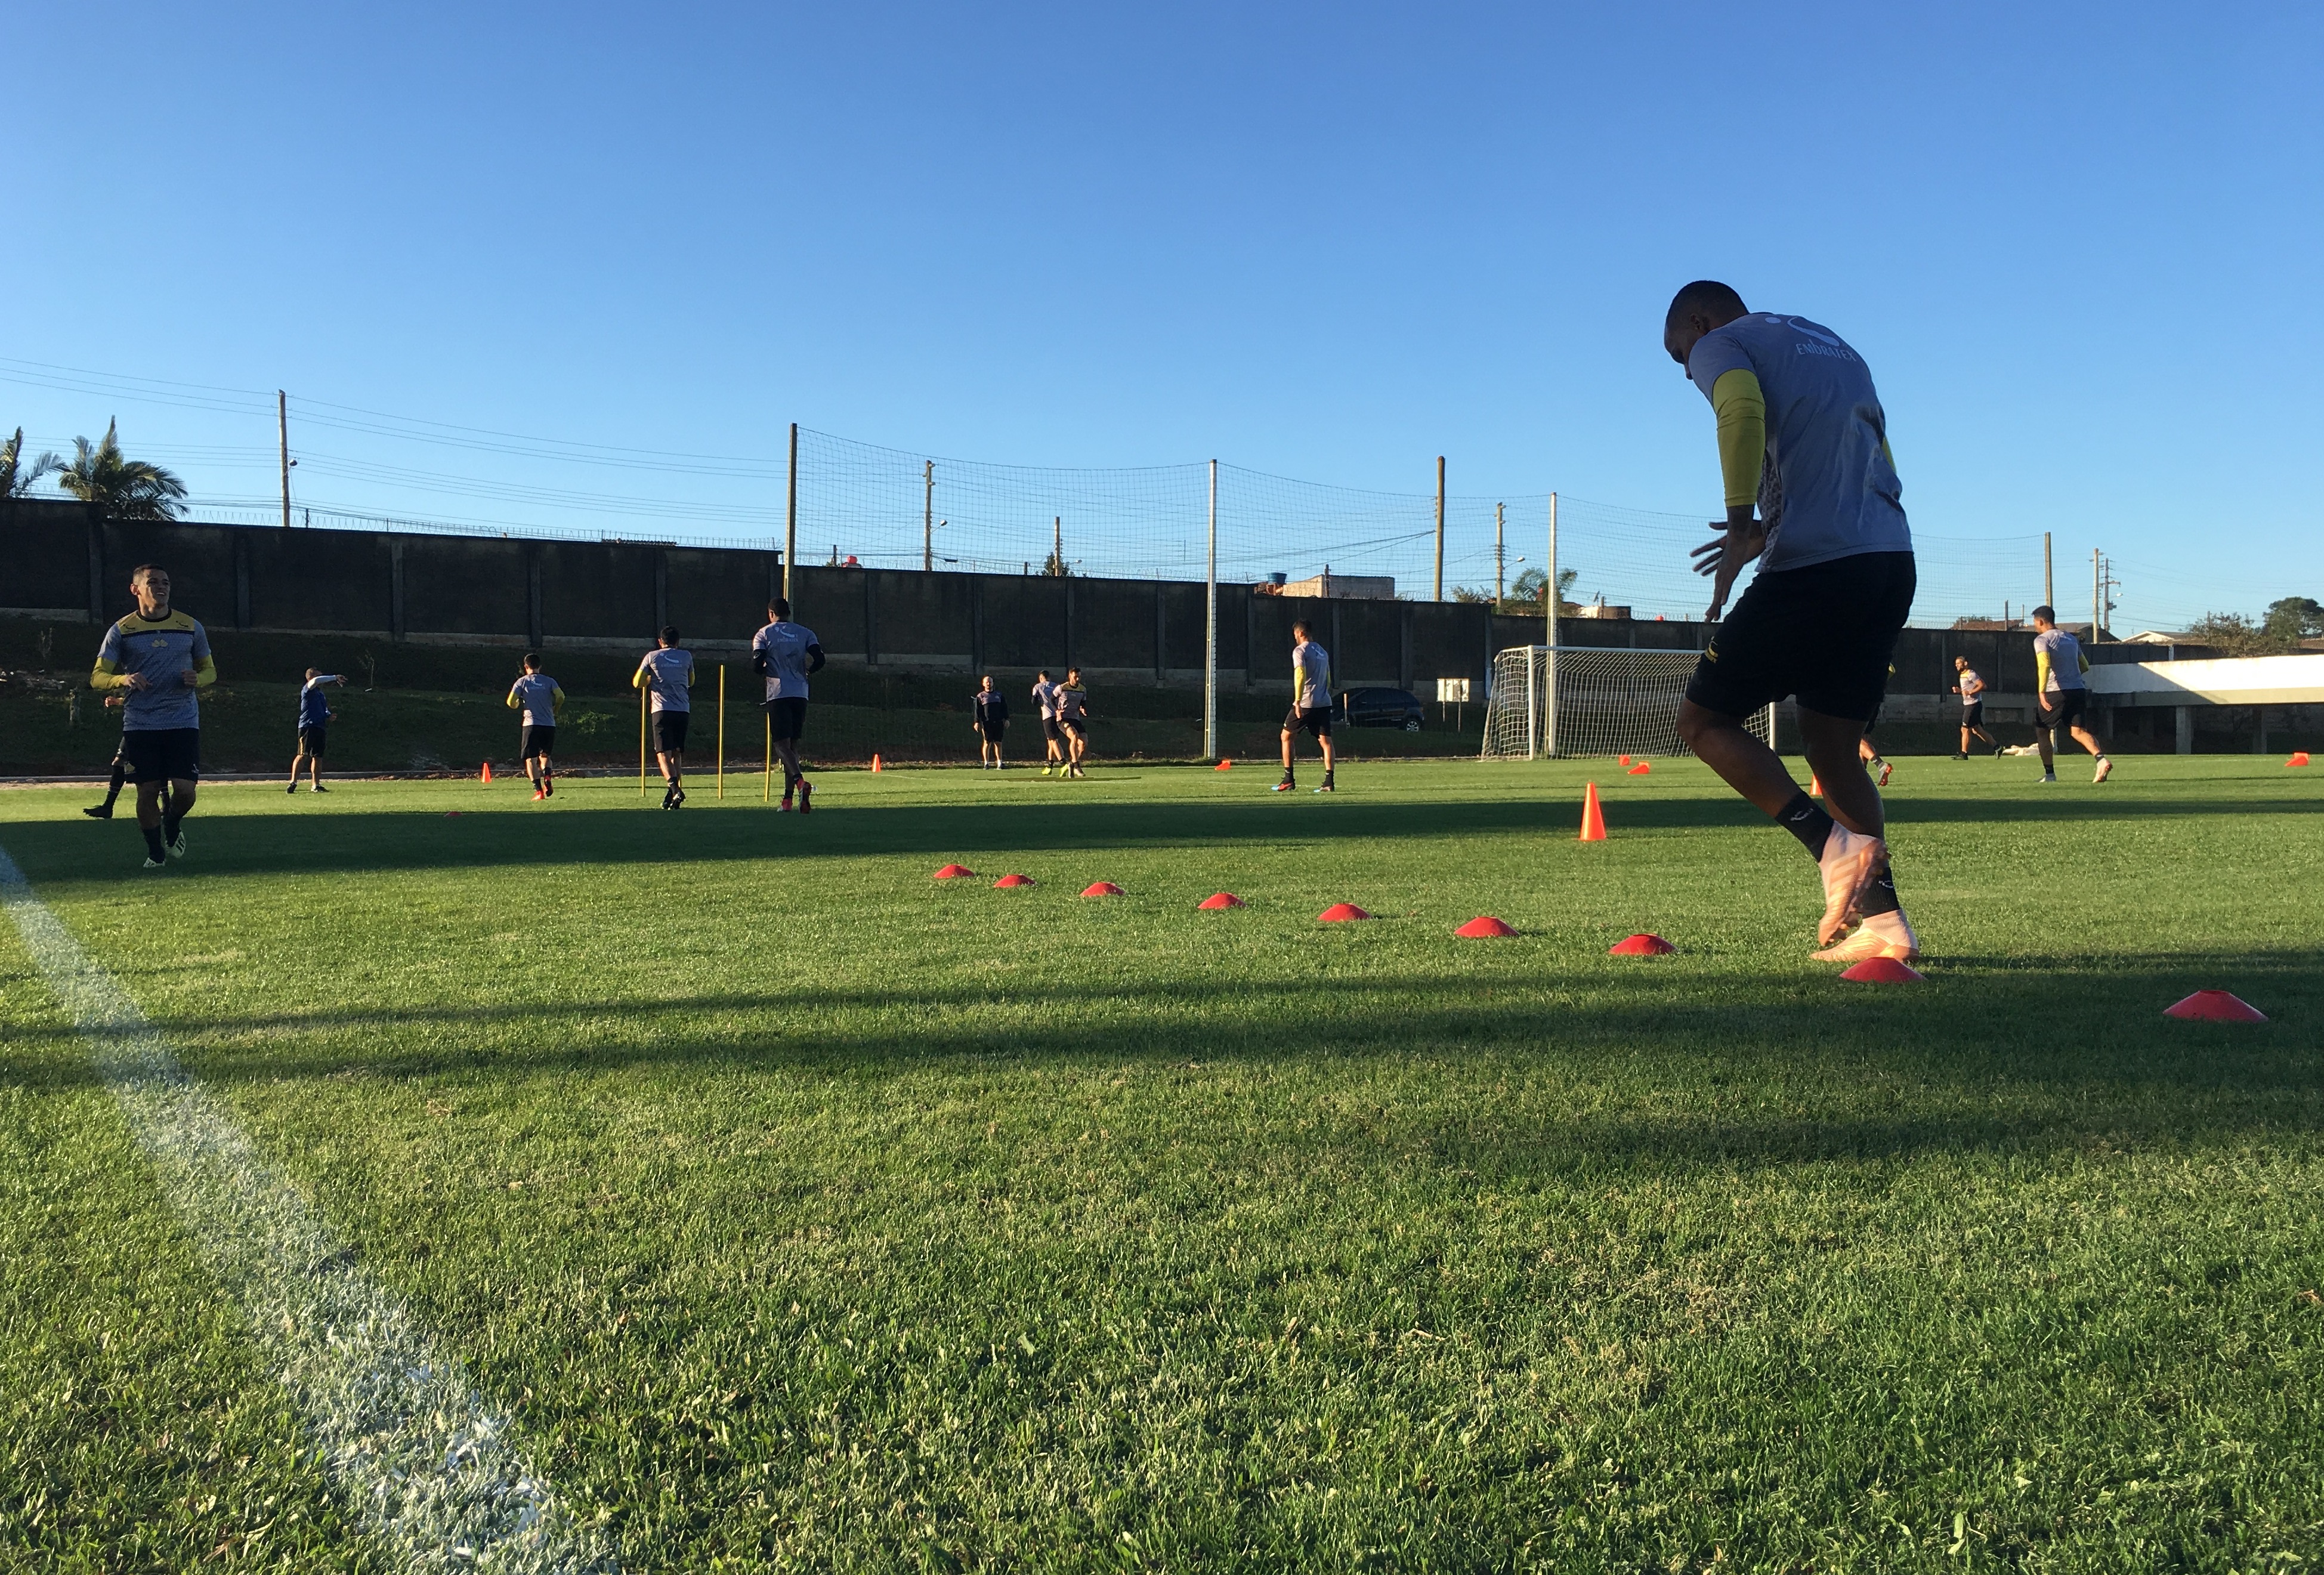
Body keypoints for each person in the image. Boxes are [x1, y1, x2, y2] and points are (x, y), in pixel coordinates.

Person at [1662, 281, 1920, 964]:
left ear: (1697, 321)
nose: (1687, 370)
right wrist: (1766, 530)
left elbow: (1740, 406)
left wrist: (1744, 517)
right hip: (1889, 560)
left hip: (1817, 568)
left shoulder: (1724, 342)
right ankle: (1886, 927)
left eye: (1678, 354)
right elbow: (1873, 450)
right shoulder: (1830, 343)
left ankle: (1829, 847)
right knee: (1833, 751)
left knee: (1703, 722)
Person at [89, 564, 213, 869]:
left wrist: (200, 679)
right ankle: (155, 852)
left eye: (166, 582)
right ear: (136, 590)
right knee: (146, 792)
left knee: (185, 792)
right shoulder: (121, 630)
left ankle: (172, 823)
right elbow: (97, 677)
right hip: (141, 724)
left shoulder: (190, 627)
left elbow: (210, 670)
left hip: (183, 720)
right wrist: (123, 679)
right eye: (153, 582)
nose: (162, 587)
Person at [752, 598, 825, 811]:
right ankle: (788, 800)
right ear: (789, 613)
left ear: (771, 613)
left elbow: (757, 664)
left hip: (779, 692)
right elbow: (820, 659)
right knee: (792, 748)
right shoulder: (805, 632)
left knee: (781, 745)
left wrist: (768, 671)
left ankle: (801, 783)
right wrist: (808, 671)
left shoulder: (764, 634)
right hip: (801, 693)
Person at [2028, 606, 2113, 783]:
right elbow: (2085, 666)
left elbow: (2044, 665)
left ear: (2041, 621)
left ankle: (2050, 774)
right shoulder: (2071, 639)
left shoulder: (2042, 640)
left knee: (2042, 730)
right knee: (2078, 731)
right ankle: (2101, 760)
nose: (2035, 626)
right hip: (2078, 689)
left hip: (2055, 691)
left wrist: (2042, 692)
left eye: (2035, 623)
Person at [632, 625, 696, 808]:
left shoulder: (652, 657)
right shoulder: (686, 656)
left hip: (661, 710)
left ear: (661, 641)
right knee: (677, 752)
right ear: (678, 642)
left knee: (662, 753)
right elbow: (691, 681)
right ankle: (672, 795)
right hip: (683, 709)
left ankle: (675, 790)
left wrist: (651, 680)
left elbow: (637, 682)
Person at [1275, 620, 1336, 793]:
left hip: (1306, 703)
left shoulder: (1300, 651)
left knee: (1286, 737)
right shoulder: (1323, 652)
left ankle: (1288, 779)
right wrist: (1323, 694)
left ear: (1301, 633)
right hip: (1324, 701)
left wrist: (1297, 701)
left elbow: (1300, 675)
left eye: (1295, 634)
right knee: (1326, 741)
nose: (1295, 637)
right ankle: (1329, 782)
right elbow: (1329, 678)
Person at [81, 694, 151, 820]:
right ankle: (108, 807)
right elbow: (136, 700)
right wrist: (118, 701)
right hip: (134, 727)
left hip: (147, 728)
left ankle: (167, 804)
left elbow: (146, 701)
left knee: (152, 765)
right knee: (119, 762)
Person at [505, 653, 565, 800]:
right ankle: (548, 776)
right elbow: (561, 697)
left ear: (526, 667)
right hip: (549, 725)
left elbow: (510, 702)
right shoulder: (550, 681)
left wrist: (518, 704)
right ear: (540, 667)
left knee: (530, 759)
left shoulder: (522, 682)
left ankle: (539, 792)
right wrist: (555, 710)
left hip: (531, 724)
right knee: (545, 756)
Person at [289, 669, 346, 793]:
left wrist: (329, 716)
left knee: (318, 757)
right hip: (307, 726)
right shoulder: (308, 689)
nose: (322, 679)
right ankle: (293, 782)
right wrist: (334, 677)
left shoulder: (320, 694)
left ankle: (316, 785)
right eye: (320, 676)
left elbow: (323, 709)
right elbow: (315, 681)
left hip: (319, 726)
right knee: (302, 755)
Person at [1951, 656, 1999, 758]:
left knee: (1965, 729)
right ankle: (1997, 747)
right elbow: (1968, 689)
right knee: (1977, 730)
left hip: (1973, 705)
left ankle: (1964, 754)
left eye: (1959, 663)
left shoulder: (1970, 673)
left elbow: (1982, 685)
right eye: (1956, 664)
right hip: (1969, 704)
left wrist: (1971, 692)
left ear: (1965, 663)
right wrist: (1959, 691)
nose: (1957, 665)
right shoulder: (1962, 675)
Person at [1053, 668, 1090, 778]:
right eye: (1075, 677)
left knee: (1083, 743)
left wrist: (1083, 709)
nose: (1077, 679)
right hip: (1063, 719)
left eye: (1079, 676)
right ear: (1070, 676)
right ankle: (1077, 765)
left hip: (1075, 719)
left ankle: (1072, 764)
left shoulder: (1082, 689)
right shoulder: (1062, 688)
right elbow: (1051, 700)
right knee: (1074, 736)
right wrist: (1057, 711)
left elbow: (1083, 702)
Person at [972, 675, 1009, 768]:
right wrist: (977, 722)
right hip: (987, 723)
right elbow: (978, 711)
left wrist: (1007, 719)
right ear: (984, 684)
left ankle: (1000, 763)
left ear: (993, 683)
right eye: (987, 682)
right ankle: (986, 763)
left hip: (998, 722)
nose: (989, 684)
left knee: (998, 743)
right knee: (987, 742)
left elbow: (1004, 708)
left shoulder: (999, 695)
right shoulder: (980, 696)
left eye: (990, 682)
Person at [1031, 670, 1064, 774]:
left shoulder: (1038, 686)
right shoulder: (1056, 686)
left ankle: (1064, 763)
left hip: (1048, 716)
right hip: (1058, 716)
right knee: (1051, 741)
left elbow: (1033, 702)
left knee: (1054, 741)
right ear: (1049, 677)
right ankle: (1050, 766)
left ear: (1041, 678)